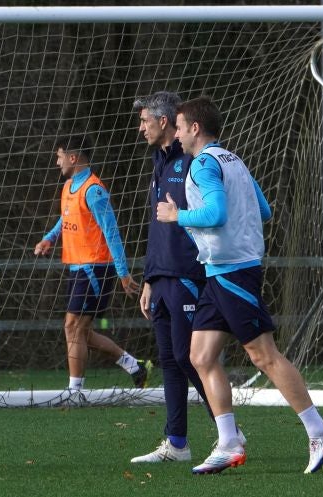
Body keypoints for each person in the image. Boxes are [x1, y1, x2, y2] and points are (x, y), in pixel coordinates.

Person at [156, 96, 323, 475]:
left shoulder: (203, 164)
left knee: (264, 355)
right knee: (200, 356)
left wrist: (178, 215)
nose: (174, 133)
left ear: (194, 128)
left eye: (178, 126)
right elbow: (265, 210)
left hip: (233, 273)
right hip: (219, 272)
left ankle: (319, 430)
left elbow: (217, 213)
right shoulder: (232, 159)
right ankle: (229, 441)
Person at [129, 91, 228, 464]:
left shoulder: (195, 161)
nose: (140, 127)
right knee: (170, 360)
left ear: (166, 121)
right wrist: (150, 277)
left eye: (145, 120)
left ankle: (229, 434)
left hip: (189, 273)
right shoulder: (159, 160)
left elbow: (210, 215)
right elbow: (160, 228)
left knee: (192, 359)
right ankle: (177, 443)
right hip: (163, 277)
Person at [33, 134, 149, 394]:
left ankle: (75, 392)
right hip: (77, 267)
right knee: (80, 331)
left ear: (73, 158)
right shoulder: (68, 187)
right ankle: (134, 366)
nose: (57, 162)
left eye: (60, 156)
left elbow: (112, 232)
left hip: (96, 268)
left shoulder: (94, 190)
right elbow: (65, 219)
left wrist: (123, 273)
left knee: (73, 327)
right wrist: (49, 238)